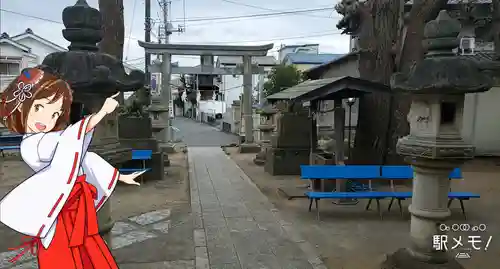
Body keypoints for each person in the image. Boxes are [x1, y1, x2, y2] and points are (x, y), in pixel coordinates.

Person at [0, 66, 145, 269]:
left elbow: (84, 156)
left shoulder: (54, 138)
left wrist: (120, 176)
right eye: (39, 108)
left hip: (74, 206)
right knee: (63, 255)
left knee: (87, 252)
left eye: (55, 113)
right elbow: (71, 141)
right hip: (58, 209)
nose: (46, 119)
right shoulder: (31, 145)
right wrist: (102, 112)